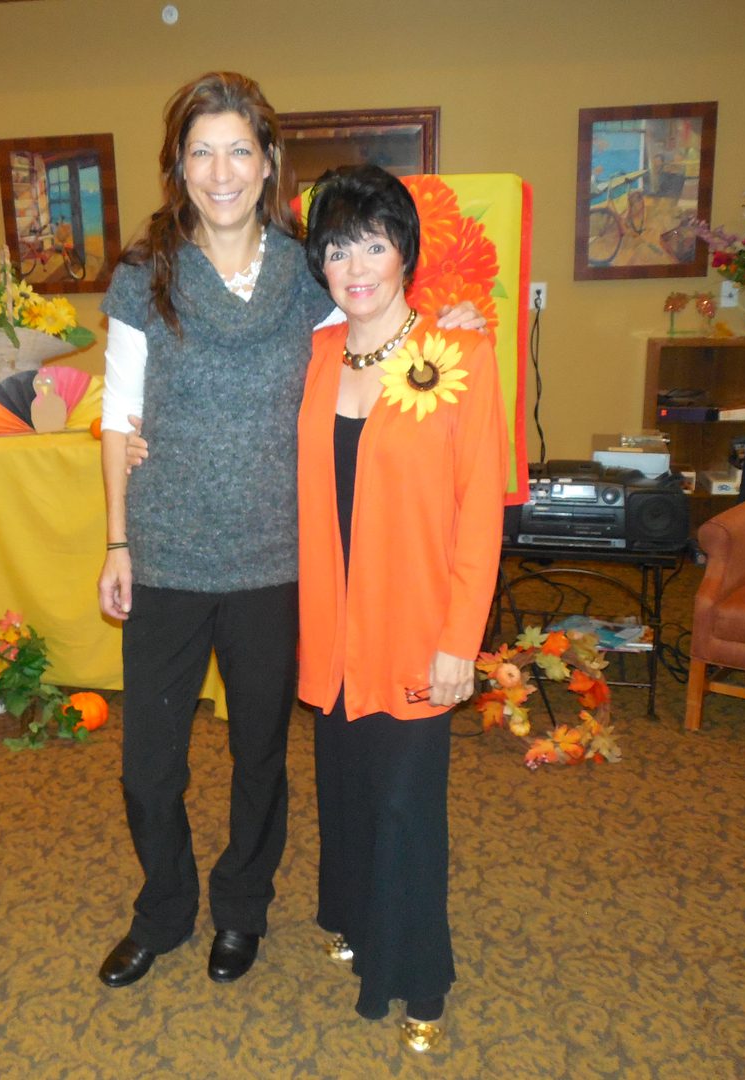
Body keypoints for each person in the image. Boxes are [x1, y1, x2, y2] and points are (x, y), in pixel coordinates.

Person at [95, 73, 481, 991]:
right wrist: (116, 541)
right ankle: (163, 910)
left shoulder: (309, 271)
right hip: (167, 557)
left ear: (268, 163)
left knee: (259, 757)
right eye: (201, 151)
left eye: (239, 150)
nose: (220, 170)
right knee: (150, 766)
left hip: (277, 562)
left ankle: (241, 911)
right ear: (177, 166)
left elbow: (378, 325)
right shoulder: (143, 276)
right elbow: (117, 416)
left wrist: (453, 325)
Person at [295, 165, 506, 1052]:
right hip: (332, 629)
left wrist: (462, 640)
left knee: (406, 810)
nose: (356, 264)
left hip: (418, 631)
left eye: (373, 242)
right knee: (344, 789)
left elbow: (479, 514)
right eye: (338, 247)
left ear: (405, 251)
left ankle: (420, 980)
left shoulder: (462, 355)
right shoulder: (316, 356)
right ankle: (351, 918)